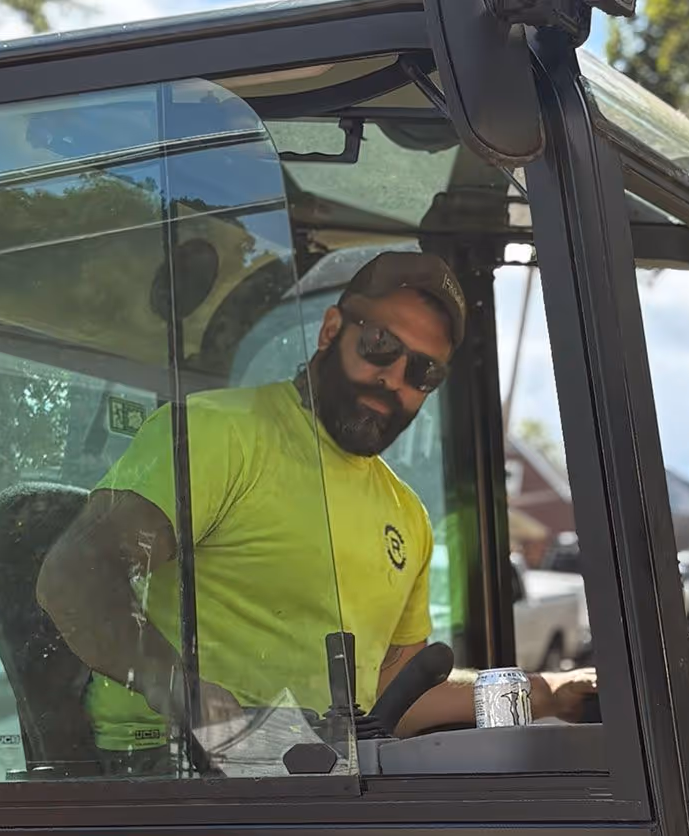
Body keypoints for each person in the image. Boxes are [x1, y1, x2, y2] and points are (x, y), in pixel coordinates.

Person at [37, 250, 595, 774]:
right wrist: (187, 695)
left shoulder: (407, 516)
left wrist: (546, 691)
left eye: (424, 371)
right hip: (165, 771)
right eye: (380, 344)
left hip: (314, 780)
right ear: (331, 330)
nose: (394, 378)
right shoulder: (217, 435)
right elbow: (75, 577)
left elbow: (396, 694)